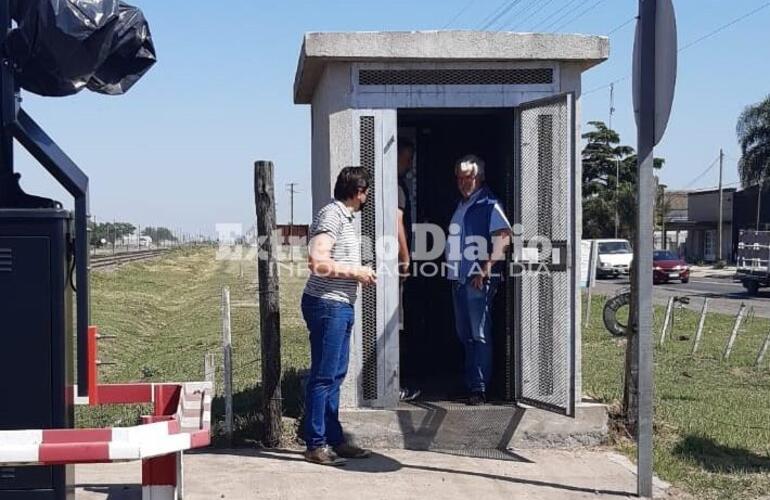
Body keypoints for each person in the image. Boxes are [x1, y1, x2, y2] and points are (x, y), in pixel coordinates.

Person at [302, 166, 377, 466]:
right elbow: (317, 261)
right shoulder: (332, 215)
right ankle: (315, 443)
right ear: (358, 192)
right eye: (366, 190)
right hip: (327, 304)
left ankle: (333, 439)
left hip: (340, 304)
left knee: (335, 375)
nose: (367, 196)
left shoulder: (345, 217)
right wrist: (356, 271)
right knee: (323, 376)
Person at [445, 155, 512, 406]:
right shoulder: (461, 204)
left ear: (479, 178)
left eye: (468, 177)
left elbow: (504, 237)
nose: (463, 182)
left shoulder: (489, 203)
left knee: (479, 333)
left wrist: (485, 268)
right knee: (465, 335)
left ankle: (479, 388)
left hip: (477, 279)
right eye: (459, 178)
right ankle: (470, 383)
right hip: (459, 278)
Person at [397, 137, 420, 402]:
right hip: (395, 264)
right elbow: (396, 221)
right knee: (397, 322)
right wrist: (405, 256)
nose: (410, 163)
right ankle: (395, 384)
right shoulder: (397, 188)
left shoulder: (397, 185)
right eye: (407, 158)